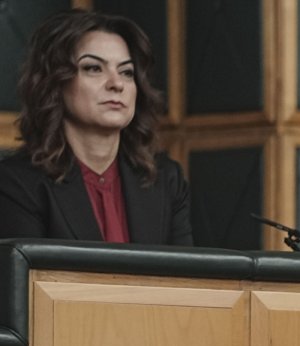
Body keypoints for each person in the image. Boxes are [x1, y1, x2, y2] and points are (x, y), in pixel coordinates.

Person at [0, 9, 191, 244]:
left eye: (126, 72)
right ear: (56, 82)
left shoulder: (167, 180)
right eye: (94, 68)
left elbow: (186, 279)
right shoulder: (16, 183)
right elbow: (24, 280)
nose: (116, 83)